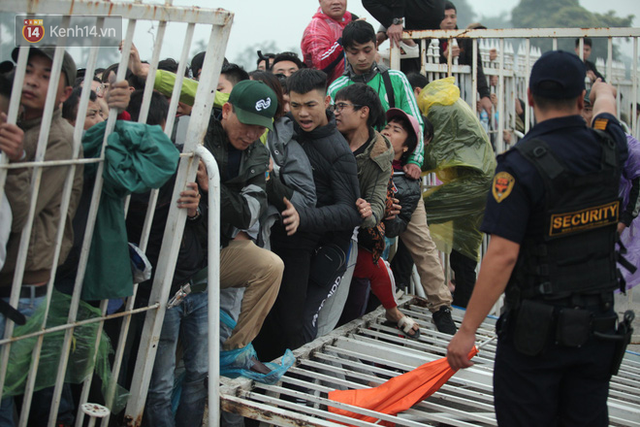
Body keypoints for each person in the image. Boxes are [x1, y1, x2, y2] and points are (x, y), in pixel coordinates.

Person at [447, 51, 629, 426]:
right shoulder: (609, 147)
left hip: (535, 339)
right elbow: (608, 102)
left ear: (529, 97)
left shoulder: (519, 165)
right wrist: (601, 89)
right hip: (597, 330)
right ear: (581, 100)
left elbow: (502, 256)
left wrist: (466, 332)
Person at [0, 46, 83, 427]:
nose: (32, 79)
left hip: (23, 287)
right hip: (10, 277)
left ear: (67, 94)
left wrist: (14, 160)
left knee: (18, 392)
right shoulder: (17, 122)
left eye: (47, 75)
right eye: (27, 69)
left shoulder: (58, 137)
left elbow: (18, 214)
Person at [270, 68, 361, 345]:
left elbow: (350, 212)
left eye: (310, 105)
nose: (302, 114)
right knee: (263, 322)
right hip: (268, 237)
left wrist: (304, 217)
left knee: (289, 328)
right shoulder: (281, 128)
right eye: (295, 105)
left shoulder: (338, 151)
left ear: (326, 101)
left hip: (304, 248)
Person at [333, 83, 421, 337]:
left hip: (363, 236)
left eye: (398, 130)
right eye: (389, 127)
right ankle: (391, 312)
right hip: (331, 229)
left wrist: (374, 212)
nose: (336, 112)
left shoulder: (397, 173)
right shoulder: (329, 137)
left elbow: (389, 221)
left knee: (368, 278)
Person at [328, 19, 424, 181]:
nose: (361, 58)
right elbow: (332, 134)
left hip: (397, 171)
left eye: (367, 50)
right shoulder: (336, 88)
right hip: (354, 173)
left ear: (375, 45)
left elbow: (415, 124)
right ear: (345, 51)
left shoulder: (397, 79)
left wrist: (415, 161)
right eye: (354, 52)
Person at [438, 1, 492, 115]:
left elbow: (476, 66)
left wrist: (484, 95)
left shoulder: (466, 39)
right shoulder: (429, 38)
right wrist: (444, 57)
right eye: (444, 17)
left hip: (462, 94)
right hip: (438, 95)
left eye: (452, 17)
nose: (449, 21)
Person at [362, 0, 445, 74]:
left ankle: (409, 44)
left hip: (424, 7)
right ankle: (412, 85)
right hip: (430, 10)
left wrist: (396, 22)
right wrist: (384, 30)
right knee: (412, 64)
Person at [301, 0, 354, 85]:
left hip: (353, 90)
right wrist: (345, 38)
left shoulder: (350, 20)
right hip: (327, 93)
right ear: (320, 1)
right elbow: (320, 64)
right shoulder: (316, 27)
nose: (336, 2)